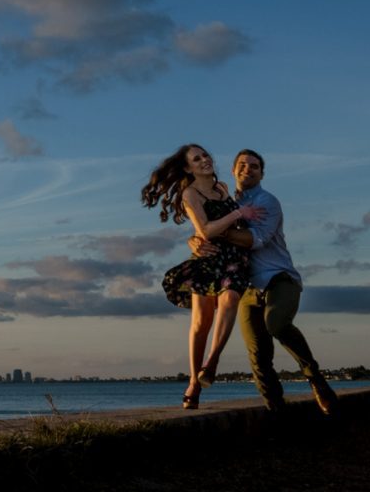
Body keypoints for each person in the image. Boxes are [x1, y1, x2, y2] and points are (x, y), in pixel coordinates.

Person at [189, 148, 337, 417]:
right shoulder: (225, 200)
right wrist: (198, 240)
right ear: (234, 170)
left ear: (262, 173)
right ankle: (277, 414)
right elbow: (203, 228)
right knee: (257, 355)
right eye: (242, 165)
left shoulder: (267, 202)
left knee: (276, 323)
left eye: (254, 166)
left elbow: (255, 240)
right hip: (246, 285)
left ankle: (315, 378)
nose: (247, 169)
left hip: (279, 278)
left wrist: (214, 234)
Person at [141, 142, 261, 408]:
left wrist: (237, 219)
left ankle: (213, 359)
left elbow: (227, 226)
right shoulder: (190, 194)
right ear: (188, 167)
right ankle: (194, 382)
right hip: (207, 260)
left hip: (233, 259)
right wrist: (236, 214)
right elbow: (205, 230)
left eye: (205, 155)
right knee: (200, 323)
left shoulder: (223, 189)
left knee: (230, 300)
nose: (205, 160)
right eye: (197, 159)